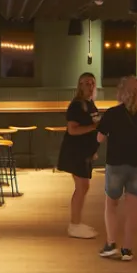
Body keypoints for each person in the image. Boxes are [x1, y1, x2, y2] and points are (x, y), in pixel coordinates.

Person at [95, 75, 137, 262]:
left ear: (121, 93)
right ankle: (127, 249)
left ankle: (110, 244)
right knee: (132, 207)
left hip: (116, 164)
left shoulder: (112, 113)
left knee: (111, 205)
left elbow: (99, 138)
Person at [57, 71, 101, 238]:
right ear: (80, 86)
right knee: (81, 187)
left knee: (84, 187)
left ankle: (77, 223)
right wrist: (94, 128)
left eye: (92, 83)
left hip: (85, 152)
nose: (90, 86)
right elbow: (72, 130)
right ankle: (74, 225)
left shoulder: (90, 104)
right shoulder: (77, 105)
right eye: (86, 83)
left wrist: (94, 149)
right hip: (75, 151)